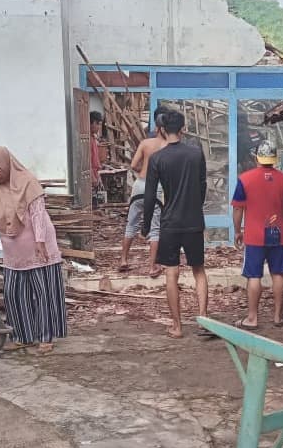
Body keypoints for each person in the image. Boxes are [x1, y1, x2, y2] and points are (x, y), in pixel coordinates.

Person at [0, 146, 67, 354]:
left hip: (38, 246)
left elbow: (38, 213)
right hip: (13, 250)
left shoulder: (28, 182)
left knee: (43, 293)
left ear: (7, 165)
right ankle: (23, 335)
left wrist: (40, 241)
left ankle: (45, 337)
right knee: (14, 294)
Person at [142, 110, 210, 339]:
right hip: (193, 221)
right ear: (182, 129)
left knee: (172, 274)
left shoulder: (157, 159)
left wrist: (145, 226)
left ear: (162, 129)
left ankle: (177, 326)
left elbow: (150, 196)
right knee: (199, 271)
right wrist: (195, 206)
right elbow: (203, 185)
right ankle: (203, 320)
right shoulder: (195, 153)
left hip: (169, 223)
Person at [231, 141, 283, 329]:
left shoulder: (245, 179)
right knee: (279, 274)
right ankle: (277, 316)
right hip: (278, 234)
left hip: (254, 236)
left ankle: (252, 318)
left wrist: (237, 231)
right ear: (275, 159)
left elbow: (238, 208)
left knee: (253, 276)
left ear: (256, 158)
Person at [119, 107, 169, 277]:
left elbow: (133, 165)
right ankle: (152, 266)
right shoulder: (168, 147)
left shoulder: (145, 143)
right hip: (157, 188)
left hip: (140, 185)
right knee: (155, 229)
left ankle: (124, 260)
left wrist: (143, 170)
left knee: (131, 223)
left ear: (156, 126)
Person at [89, 111, 107, 200]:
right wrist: (93, 177)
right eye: (98, 124)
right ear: (92, 123)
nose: (99, 127)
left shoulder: (93, 138)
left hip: (95, 174)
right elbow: (87, 160)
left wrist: (98, 176)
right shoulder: (87, 139)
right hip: (91, 176)